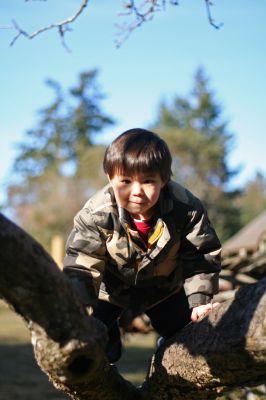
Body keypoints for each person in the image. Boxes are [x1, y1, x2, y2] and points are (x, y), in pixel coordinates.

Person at [63, 128, 221, 363]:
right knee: (97, 344)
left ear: (164, 179)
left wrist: (199, 301)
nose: (136, 191)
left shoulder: (186, 209)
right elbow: (82, 266)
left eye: (148, 181)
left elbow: (200, 257)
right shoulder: (96, 214)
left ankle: (168, 351)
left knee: (188, 340)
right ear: (110, 178)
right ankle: (109, 339)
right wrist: (79, 310)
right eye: (125, 181)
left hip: (165, 289)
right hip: (111, 290)